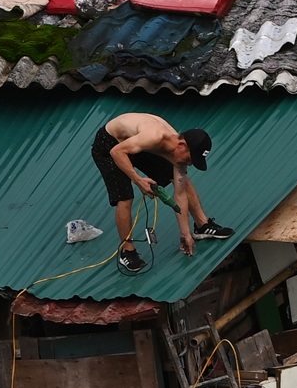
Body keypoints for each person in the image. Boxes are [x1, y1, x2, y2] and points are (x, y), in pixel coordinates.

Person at [91, 113, 233, 276]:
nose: (190, 163)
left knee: (182, 180)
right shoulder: (154, 137)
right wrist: (138, 180)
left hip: (132, 143)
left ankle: (202, 226)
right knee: (125, 197)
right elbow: (117, 152)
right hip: (109, 145)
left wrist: (185, 233)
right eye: (191, 158)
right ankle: (127, 251)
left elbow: (179, 195)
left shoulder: (177, 152)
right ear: (181, 145)